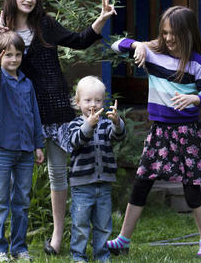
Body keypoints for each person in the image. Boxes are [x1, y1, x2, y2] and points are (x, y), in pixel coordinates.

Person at [0, 0, 117, 255]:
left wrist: (101, 19)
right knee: (10, 177)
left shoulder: (45, 25)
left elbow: (79, 40)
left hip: (54, 110)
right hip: (21, 114)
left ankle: (56, 235)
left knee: (57, 174)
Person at [106, 6, 201, 258]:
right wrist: (139, 46)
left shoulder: (198, 63)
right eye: (164, 33)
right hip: (160, 131)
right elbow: (115, 45)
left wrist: (195, 99)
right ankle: (123, 240)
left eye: (174, 34)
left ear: (187, 34)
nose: (168, 38)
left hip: (188, 133)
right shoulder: (153, 52)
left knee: (192, 190)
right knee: (141, 184)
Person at [0, 31, 45, 262]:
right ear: (0, 56)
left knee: (21, 201)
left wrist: (38, 145)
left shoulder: (27, 83)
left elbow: (34, 115)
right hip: (2, 149)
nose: (13, 59)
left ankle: (19, 247)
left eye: (17, 54)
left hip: (26, 151)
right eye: (8, 55)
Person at [54, 76, 126, 262]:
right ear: (78, 103)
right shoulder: (76, 124)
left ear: (104, 102)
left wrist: (117, 122)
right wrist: (88, 125)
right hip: (82, 185)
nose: (93, 104)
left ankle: (101, 255)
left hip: (104, 184)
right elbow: (75, 141)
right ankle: (78, 255)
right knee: (81, 223)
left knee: (103, 224)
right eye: (87, 100)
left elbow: (118, 136)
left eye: (98, 100)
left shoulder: (105, 123)